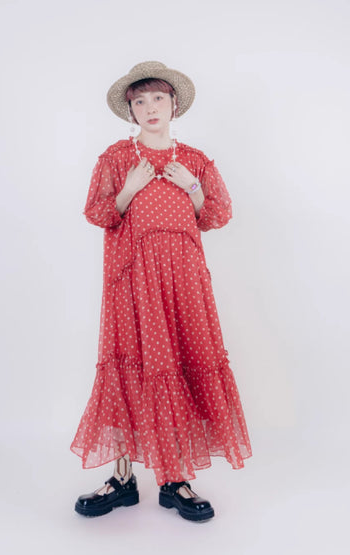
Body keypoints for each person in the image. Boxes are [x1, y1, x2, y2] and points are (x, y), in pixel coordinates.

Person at [70, 61, 252, 522]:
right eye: (140, 101)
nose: (150, 107)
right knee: (131, 364)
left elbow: (216, 215)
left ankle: (175, 480)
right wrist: (129, 189)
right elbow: (98, 213)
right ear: (130, 111)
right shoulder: (117, 159)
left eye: (157, 98)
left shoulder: (195, 161)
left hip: (184, 281)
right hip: (133, 282)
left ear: (174, 105)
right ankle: (122, 479)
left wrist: (192, 186)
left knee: (179, 365)